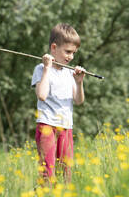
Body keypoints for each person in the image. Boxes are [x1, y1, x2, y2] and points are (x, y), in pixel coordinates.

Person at [31, 23, 85, 185]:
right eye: (68, 52)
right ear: (54, 48)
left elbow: (79, 101)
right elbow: (41, 95)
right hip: (47, 125)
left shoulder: (70, 73)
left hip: (66, 127)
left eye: (74, 53)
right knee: (47, 170)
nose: (71, 57)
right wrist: (47, 68)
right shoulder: (41, 69)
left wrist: (80, 82)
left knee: (66, 171)